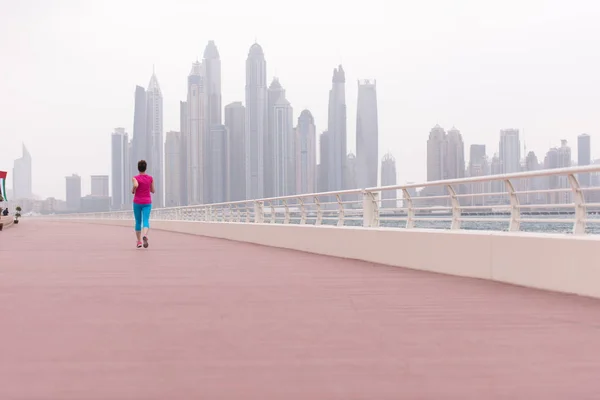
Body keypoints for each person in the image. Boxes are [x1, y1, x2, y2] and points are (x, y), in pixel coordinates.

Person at [132, 160, 154, 248]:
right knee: (146, 220)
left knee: (138, 221)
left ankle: (139, 242)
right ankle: (145, 235)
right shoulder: (150, 178)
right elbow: (153, 190)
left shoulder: (135, 178)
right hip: (147, 202)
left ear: (138, 168)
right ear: (146, 168)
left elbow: (135, 186)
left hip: (137, 202)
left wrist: (133, 189)